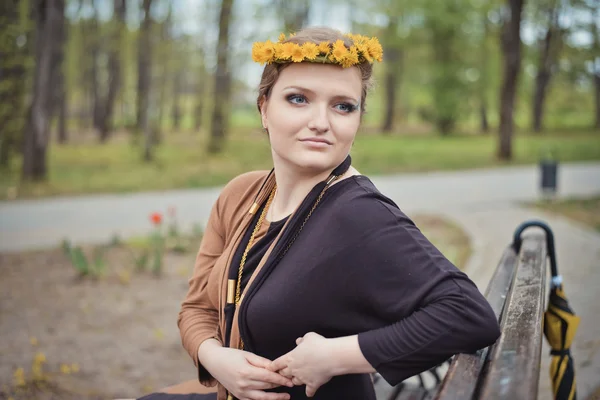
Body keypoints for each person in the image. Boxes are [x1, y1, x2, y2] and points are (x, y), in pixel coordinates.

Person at [140, 27, 500, 400]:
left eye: (343, 106)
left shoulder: (359, 214)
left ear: (357, 120)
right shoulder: (240, 195)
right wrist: (215, 358)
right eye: (298, 99)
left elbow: (468, 315)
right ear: (264, 108)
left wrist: (334, 357)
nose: (320, 122)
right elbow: (197, 308)